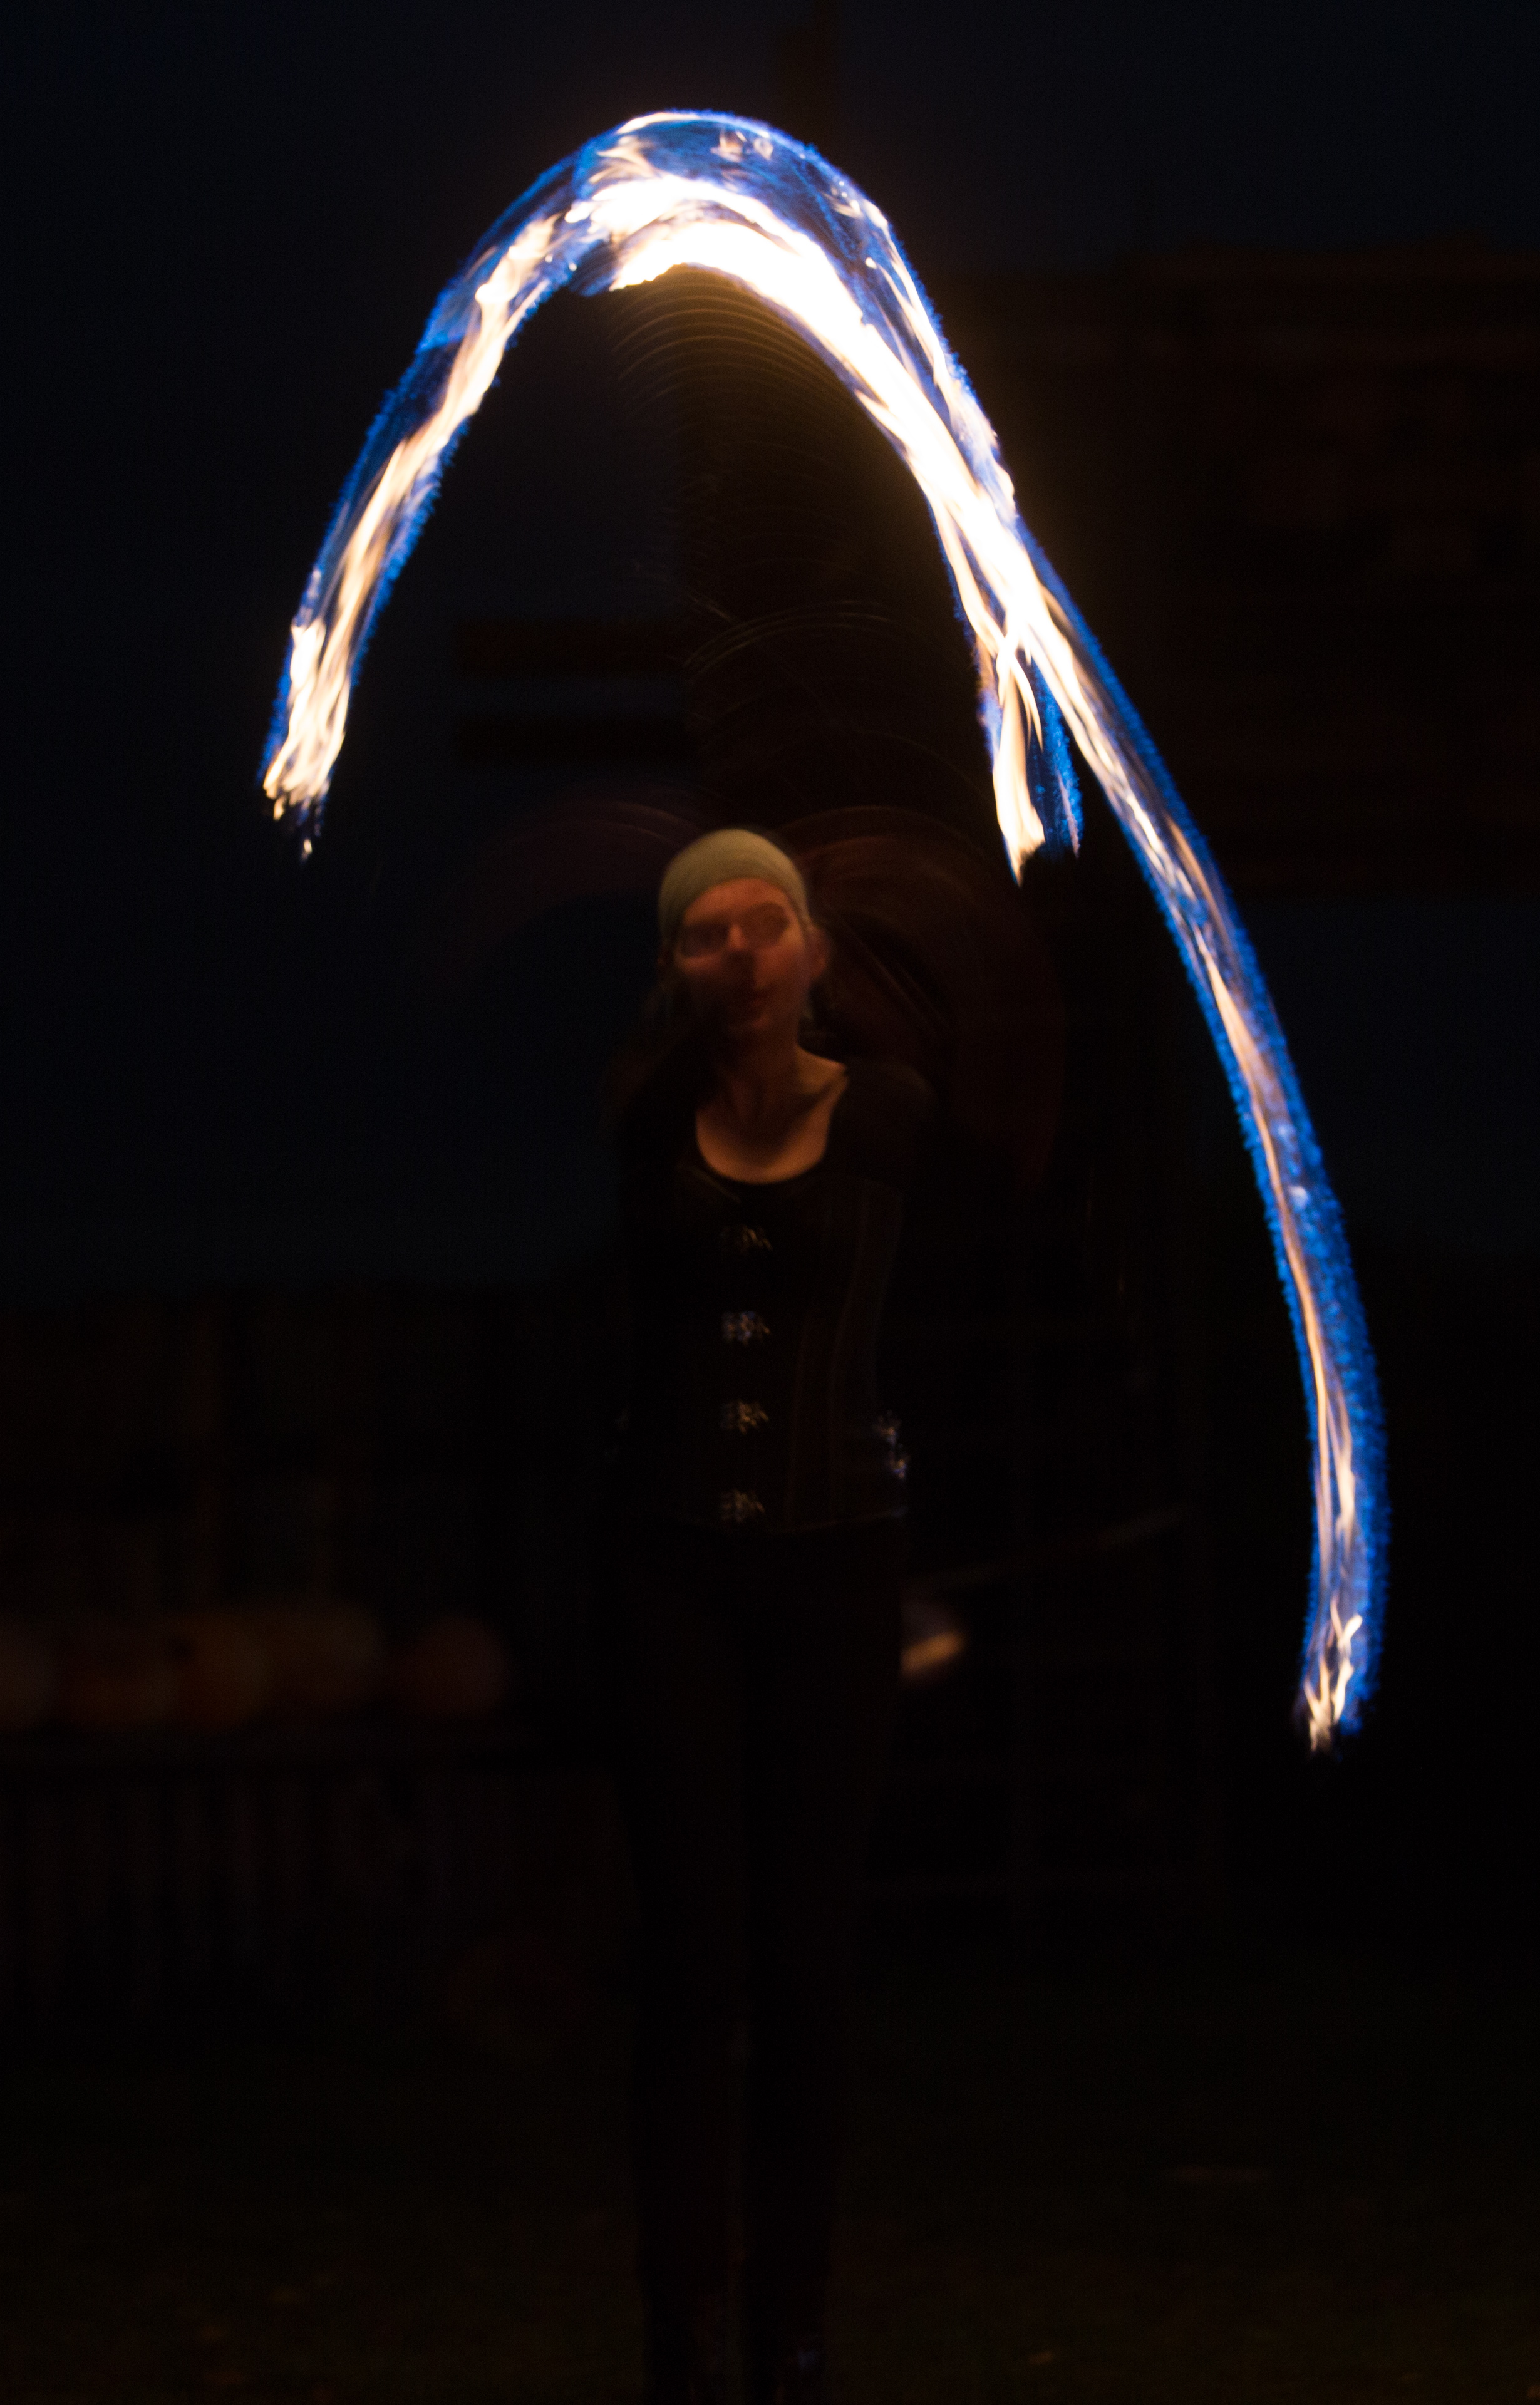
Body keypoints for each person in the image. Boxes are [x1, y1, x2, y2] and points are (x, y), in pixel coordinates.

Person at [602, 825, 931, 2405]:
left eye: (765, 925)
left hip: (835, 1570)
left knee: (805, 1964)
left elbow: (945, 1307)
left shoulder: (889, 1118)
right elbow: (623, 1338)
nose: (739, 955)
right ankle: (681, 2326)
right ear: (674, 966)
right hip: (674, 1569)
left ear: (811, 948)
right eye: (704, 934)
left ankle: (791, 2327)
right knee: (690, 1959)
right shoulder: (647, 1118)